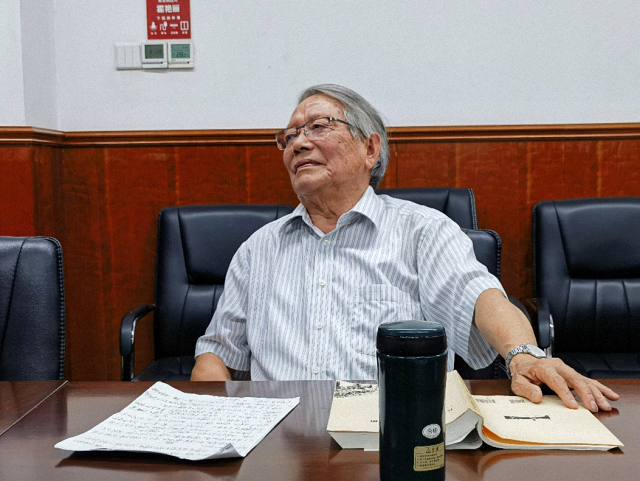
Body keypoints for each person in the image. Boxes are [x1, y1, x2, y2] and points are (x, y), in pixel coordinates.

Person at [192, 84, 618, 412]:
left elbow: (479, 296)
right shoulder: (259, 248)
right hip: (280, 441)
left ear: (370, 148)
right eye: (289, 136)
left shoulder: (422, 231)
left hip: (395, 429)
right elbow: (218, 352)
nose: (299, 143)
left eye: (319, 127)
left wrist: (523, 356)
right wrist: (205, 416)